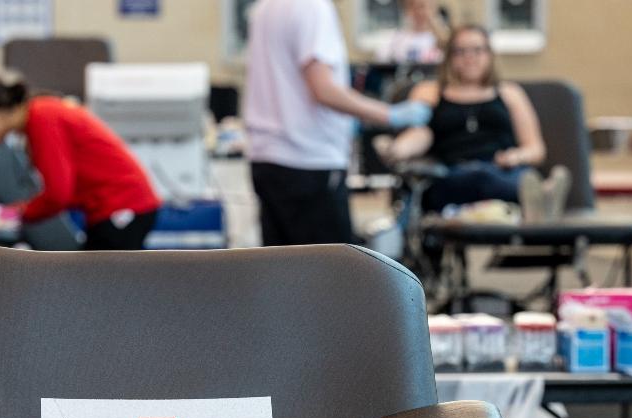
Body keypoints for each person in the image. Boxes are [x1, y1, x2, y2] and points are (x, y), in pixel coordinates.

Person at [244, 0, 433, 247]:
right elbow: (323, 89)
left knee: (283, 270)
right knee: (332, 274)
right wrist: (389, 114)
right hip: (308, 159)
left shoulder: (265, 7)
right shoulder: (313, 7)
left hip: (268, 157)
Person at [374, 25, 569, 216]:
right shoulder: (430, 91)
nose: (470, 57)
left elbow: (535, 149)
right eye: (461, 51)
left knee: (510, 176)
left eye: (478, 50)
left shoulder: (510, 93)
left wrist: (514, 157)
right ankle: (540, 197)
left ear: (490, 55)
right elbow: (420, 132)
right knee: (479, 175)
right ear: (449, 57)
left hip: (503, 169)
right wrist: (397, 149)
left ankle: (538, 198)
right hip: (453, 173)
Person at [0, 76, 161, 250]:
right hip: (115, 206)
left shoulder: (42, 118)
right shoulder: (41, 113)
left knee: (100, 287)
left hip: (124, 204)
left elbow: (58, 195)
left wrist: (20, 213)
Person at [375, 0, 451, 64]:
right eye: (414, 7)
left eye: (423, 6)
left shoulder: (442, 37)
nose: (419, 12)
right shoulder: (396, 39)